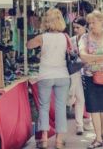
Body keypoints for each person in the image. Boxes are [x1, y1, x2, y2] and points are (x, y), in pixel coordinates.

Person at [26, 8, 70, 149]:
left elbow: (28, 45)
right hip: (62, 75)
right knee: (60, 108)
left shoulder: (42, 37)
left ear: (46, 21)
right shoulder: (66, 37)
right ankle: (59, 141)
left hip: (45, 75)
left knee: (44, 107)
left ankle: (44, 140)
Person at [79, 11, 103, 149]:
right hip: (89, 75)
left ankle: (102, 133)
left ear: (102, 22)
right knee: (94, 107)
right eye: (90, 23)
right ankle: (98, 138)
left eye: (94, 22)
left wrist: (92, 58)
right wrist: (102, 58)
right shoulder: (84, 37)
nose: (91, 25)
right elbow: (82, 56)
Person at [69, 17, 92, 135]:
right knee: (79, 98)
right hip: (75, 72)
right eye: (74, 27)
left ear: (85, 27)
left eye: (78, 27)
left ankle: (85, 122)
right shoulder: (71, 40)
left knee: (86, 98)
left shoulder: (90, 39)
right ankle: (80, 125)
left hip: (89, 71)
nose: (76, 30)